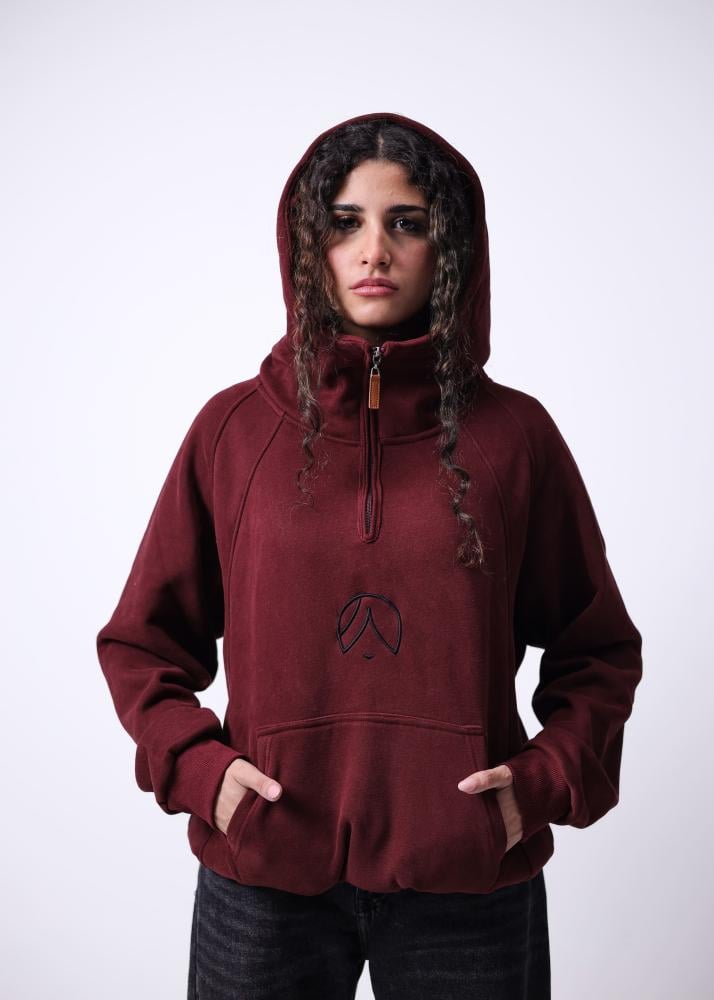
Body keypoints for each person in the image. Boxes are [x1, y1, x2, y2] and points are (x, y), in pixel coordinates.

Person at [96, 111, 643, 999]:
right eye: (345, 222)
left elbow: (599, 650)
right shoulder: (234, 432)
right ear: (308, 244)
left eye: (407, 222)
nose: (373, 250)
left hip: (468, 888)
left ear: (448, 246)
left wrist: (541, 784)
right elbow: (140, 644)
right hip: (264, 881)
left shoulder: (516, 439)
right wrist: (202, 772)